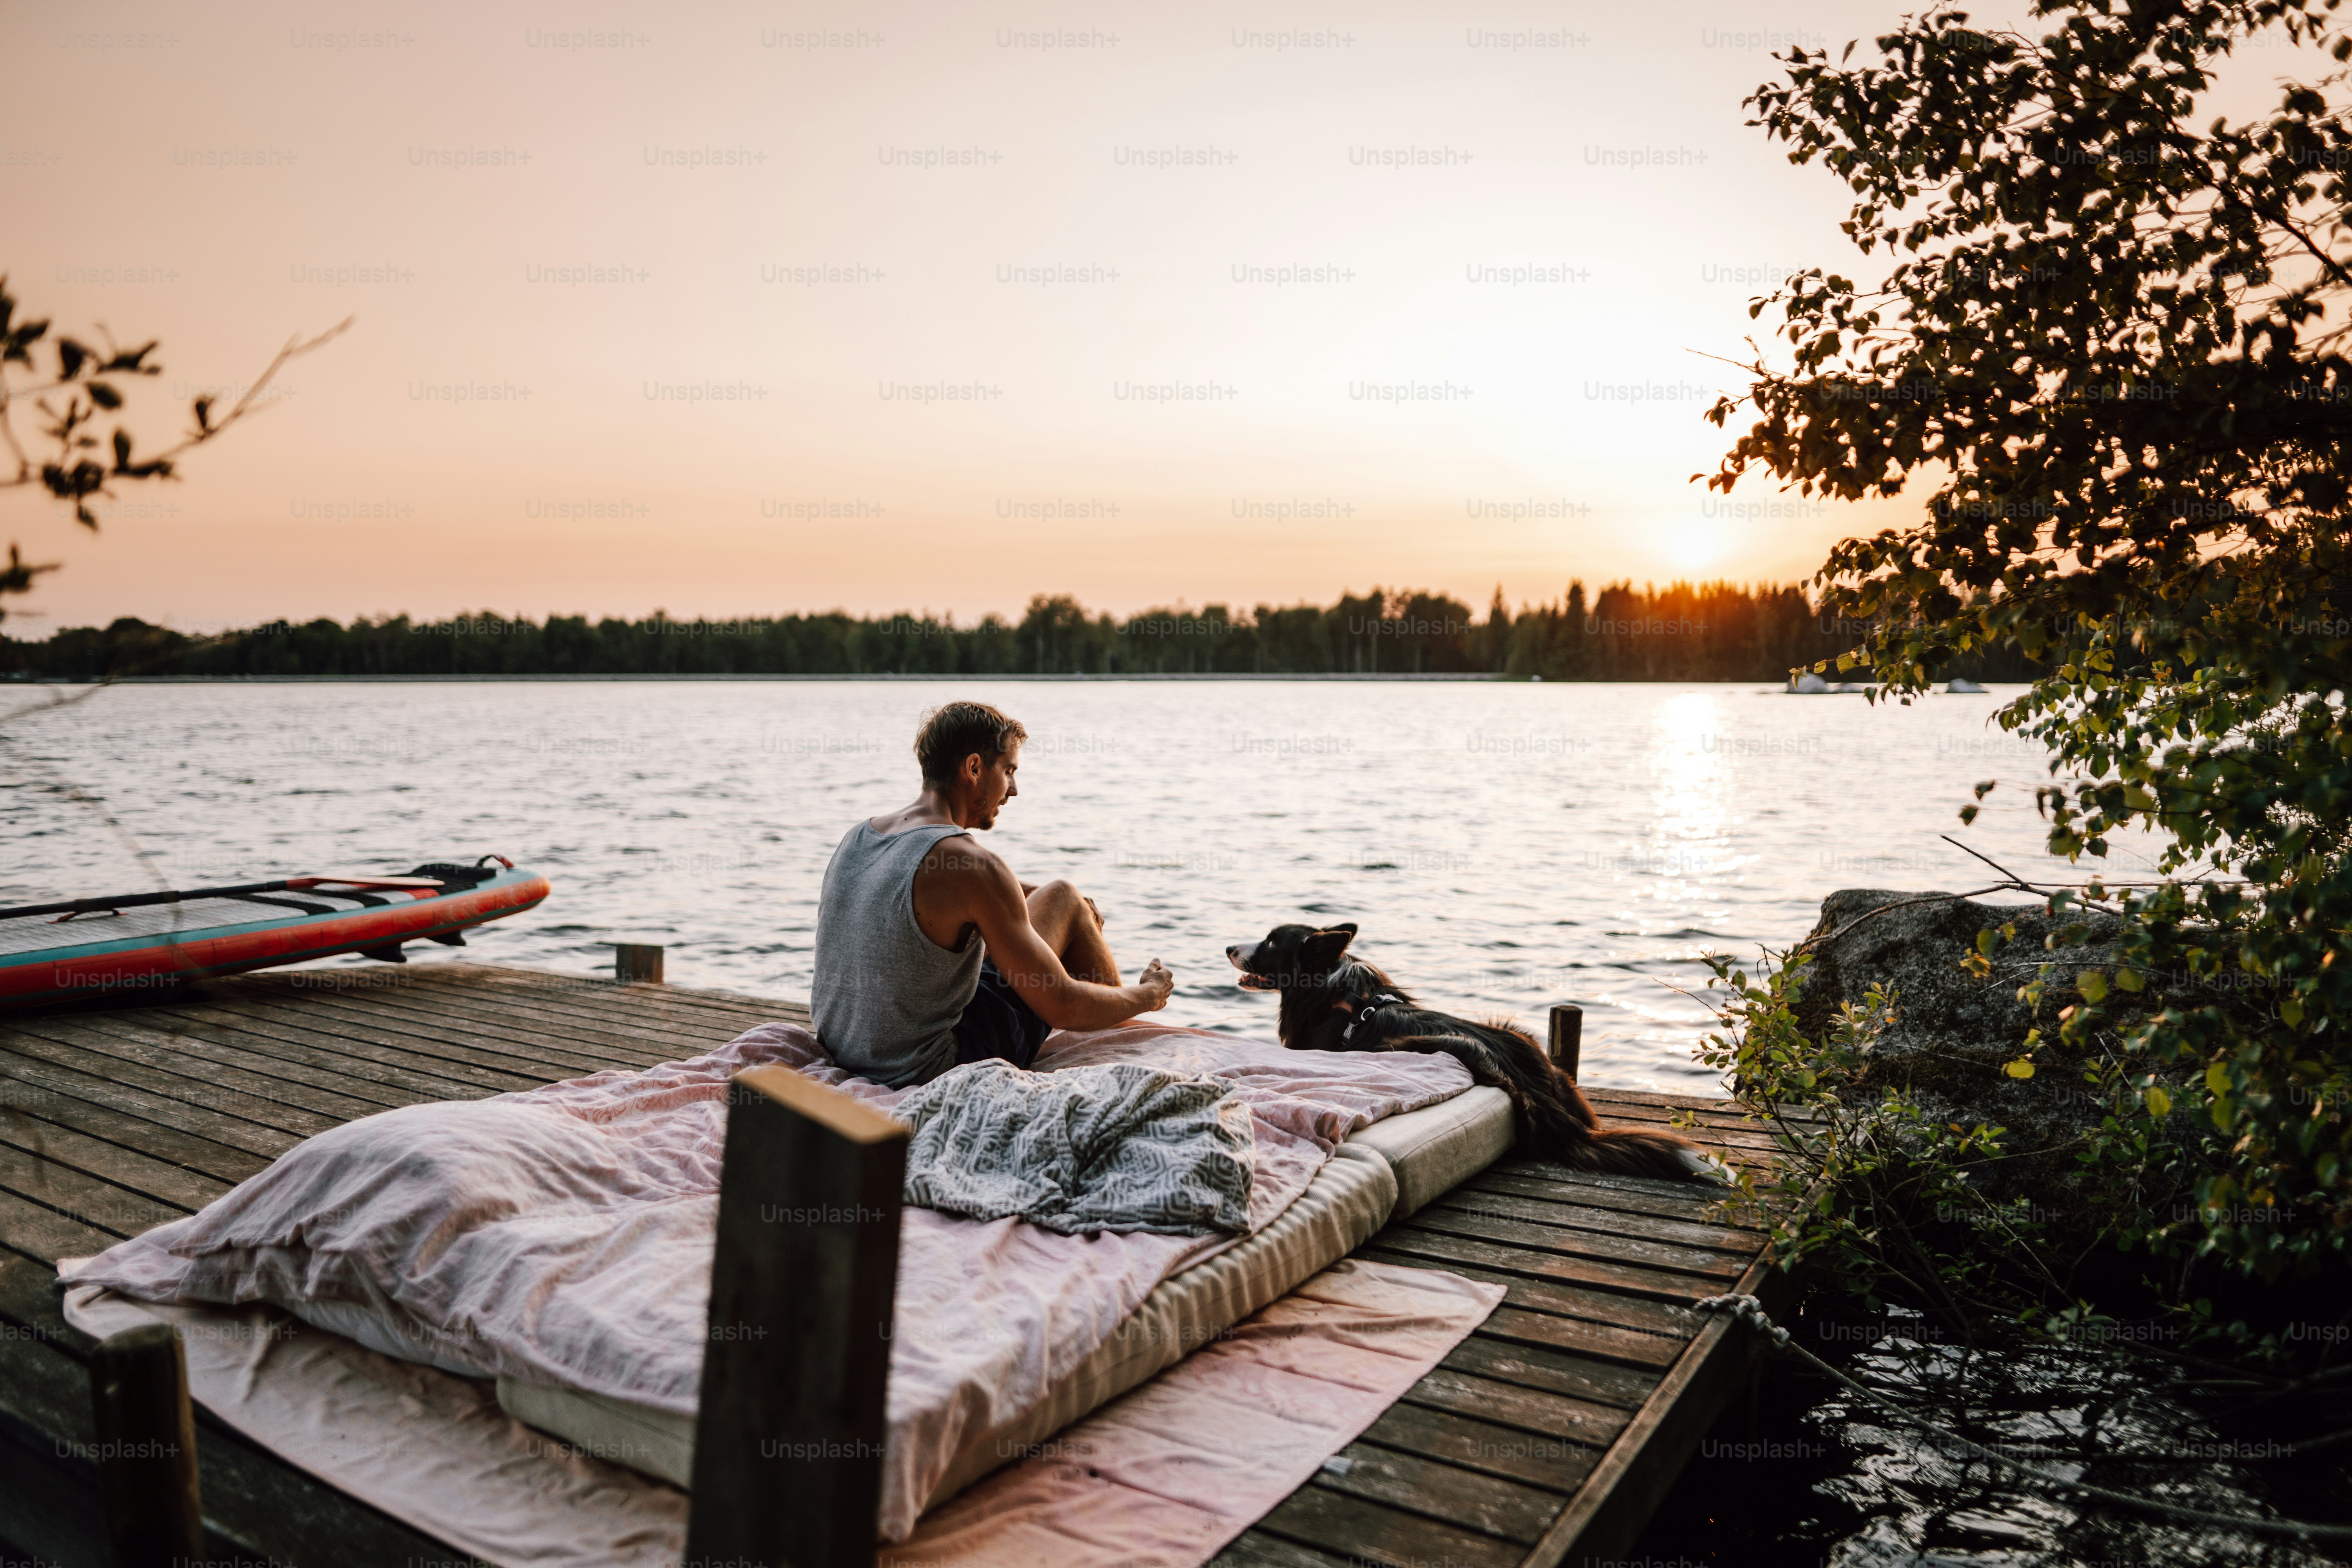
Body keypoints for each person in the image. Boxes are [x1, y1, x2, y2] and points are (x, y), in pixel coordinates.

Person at [811, 700, 1175, 1086]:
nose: (1013, 789)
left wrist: (1045, 899)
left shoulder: (862, 835)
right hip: (931, 1068)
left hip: (846, 1051)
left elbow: (932, 891)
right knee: (1066, 897)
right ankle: (1123, 1030)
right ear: (973, 768)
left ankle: (1108, 1008)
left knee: (1063, 899)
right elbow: (1063, 1004)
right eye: (1009, 771)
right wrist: (1150, 993)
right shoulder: (972, 863)